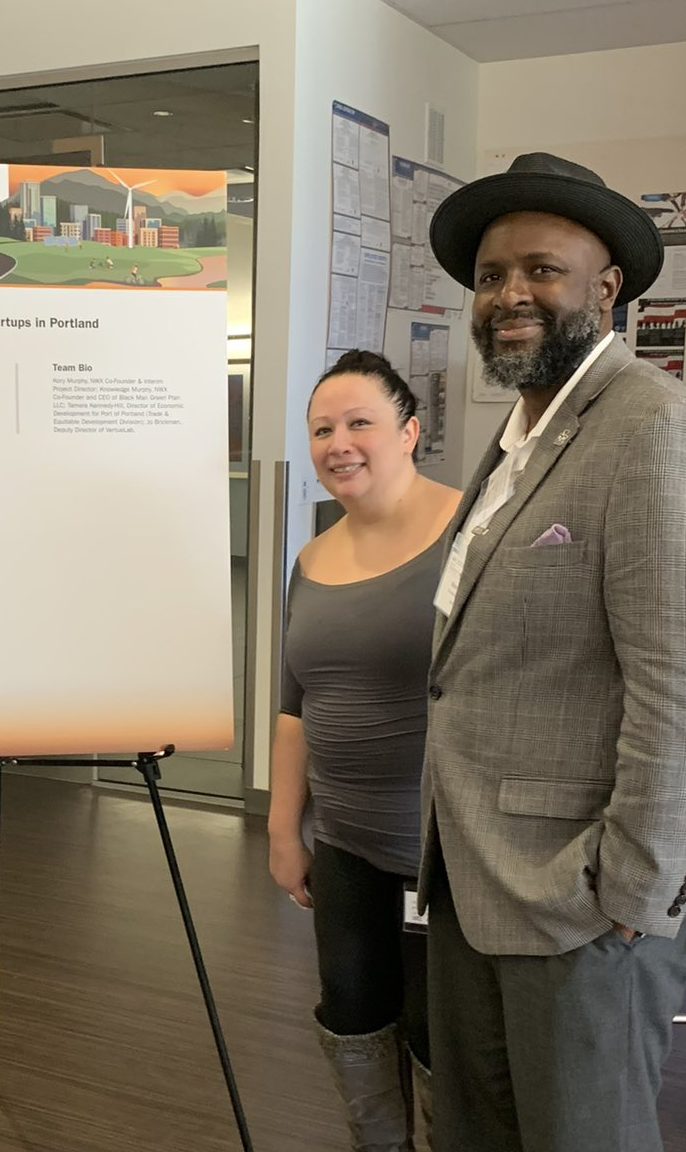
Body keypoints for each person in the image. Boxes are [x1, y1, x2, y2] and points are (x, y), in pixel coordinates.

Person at [417, 153, 686, 1151]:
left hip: (582, 901)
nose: (508, 295)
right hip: (480, 876)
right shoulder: (521, 437)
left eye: (540, 270)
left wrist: (627, 895)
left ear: (607, 288)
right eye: (488, 276)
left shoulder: (657, 431)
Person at [270, 351, 460, 1151]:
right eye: (322, 429)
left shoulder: (469, 533)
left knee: (433, 1026)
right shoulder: (312, 559)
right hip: (344, 839)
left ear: (409, 432)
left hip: (442, 846)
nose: (337, 443)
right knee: (350, 1010)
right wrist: (285, 831)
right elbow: (294, 708)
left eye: (359, 423)